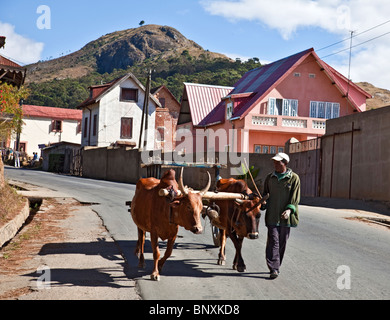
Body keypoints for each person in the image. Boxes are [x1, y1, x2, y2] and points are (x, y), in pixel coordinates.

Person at [263, 152, 300, 279]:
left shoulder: (294, 178)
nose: (275, 164)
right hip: (272, 216)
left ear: (285, 163)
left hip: (286, 217)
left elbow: (295, 198)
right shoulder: (270, 178)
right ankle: (274, 268)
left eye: (278, 162)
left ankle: (276, 265)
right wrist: (262, 203)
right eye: (274, 162)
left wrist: (289, 210)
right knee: (274, 241)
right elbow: (265, 195)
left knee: (282, 242)